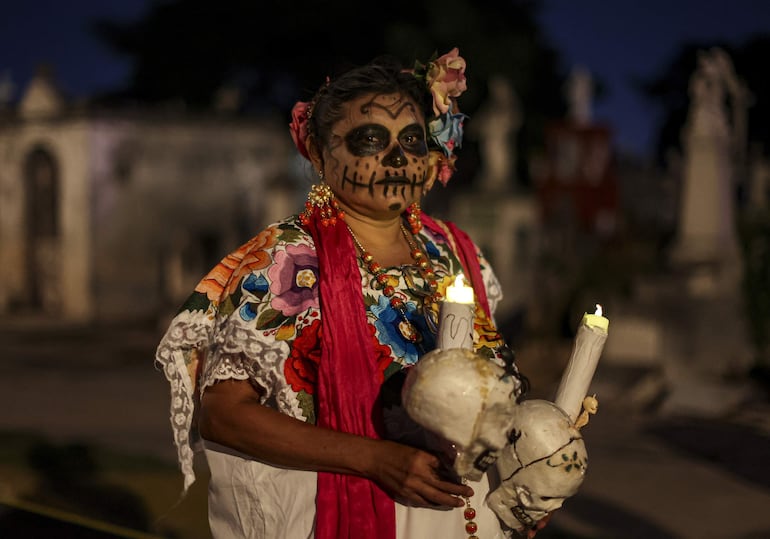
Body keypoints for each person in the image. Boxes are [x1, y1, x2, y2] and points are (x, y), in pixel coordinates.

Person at [156, 47, 537, 539]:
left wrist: (522, 481)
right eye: (370, 139)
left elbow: (487, 391)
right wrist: (375, 458)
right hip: (344, 513)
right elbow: (224, 417)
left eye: (412, 139)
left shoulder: (456, 252)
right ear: (318, 153)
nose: (397, 158)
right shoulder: (287, 260)